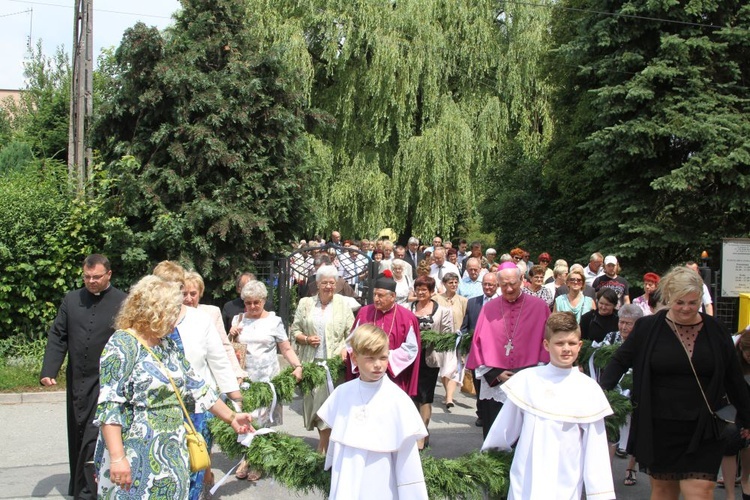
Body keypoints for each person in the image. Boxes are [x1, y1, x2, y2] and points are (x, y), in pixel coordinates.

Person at [93, 275, 254, 499]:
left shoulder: (167, 343)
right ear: (154, 311)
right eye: (173, 311)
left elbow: (197, 387)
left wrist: (231, 417)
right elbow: (110, 405)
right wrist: (118, 457)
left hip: (173, 450)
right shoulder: (122, 344)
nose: (178, 317)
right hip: (134, 451)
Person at [600, 267, 750, 500]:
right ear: (668, 297)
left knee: (700, 491)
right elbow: (620, 361)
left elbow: (733, 378)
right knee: (664, 492)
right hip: (659, 425)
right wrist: (598, 394)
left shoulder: (716, 330)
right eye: (680, 302)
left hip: (705, 425)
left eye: (693, 302)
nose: (686, 309)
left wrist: (747, 418)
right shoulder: (648, 328)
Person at [482, 312, 615, 500]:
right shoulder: (528, 380)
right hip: (526, 476)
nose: (566, 349)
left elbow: (596, 449)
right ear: (546, 345)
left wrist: (600, 495)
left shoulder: (588, 390)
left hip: (566, 479)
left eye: (571, 343)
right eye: (559, 343)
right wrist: (486, 465)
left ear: (580, 345)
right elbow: (503, 430)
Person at [153, 261, 244, 498]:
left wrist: (235, 397)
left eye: (178, 289)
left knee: (195, 465)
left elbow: (219, 359)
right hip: (160, 410)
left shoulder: (200, 319)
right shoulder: (148, 323)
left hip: (198, 408)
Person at [40, 254, 127, 500]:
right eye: (87, 277)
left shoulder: (122, 301)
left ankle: (89, 492)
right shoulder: (71, 299)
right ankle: (79, 486)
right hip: (78, 380)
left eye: (96, 277)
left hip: (107, 382)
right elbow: (58, 335)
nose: (91, 281)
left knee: (94, 436)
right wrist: (49, 370)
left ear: (108, 274)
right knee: (78, 434)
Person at [316, 324, 428, 499]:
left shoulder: (397, 399)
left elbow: (408, 460)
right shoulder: (343, 393)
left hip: (382, 478)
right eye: (370, 358)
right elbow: (336, 440)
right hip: (347, 473)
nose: (378, 365)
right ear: (354, 358)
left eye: (383, 358)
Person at [229, 280, 304, 480]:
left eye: (257, 302)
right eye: (248, 303)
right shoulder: (238, 320)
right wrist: (232, 336)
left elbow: (286, 348)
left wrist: (297, 366)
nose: (252, 307)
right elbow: (230, 350)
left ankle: (258, 461)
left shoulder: (274, 321)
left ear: (263, 301)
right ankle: (246, 457)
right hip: (245, 381)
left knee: (262, 422)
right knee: (246, 420)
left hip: (267, 380)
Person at [466, 262, 551, 438]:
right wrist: (495, 373)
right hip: (497, 384)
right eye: (504, 285)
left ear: (522, 279)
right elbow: (478, 346)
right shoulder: (489, 308)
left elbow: (546, 346)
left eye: (512, 283)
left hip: (527, 383)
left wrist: (527, 375)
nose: (509, 289)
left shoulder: (539, 307)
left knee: (525, 437)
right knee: (494, 434)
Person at [290, 265, 355, 454]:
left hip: (335, 364)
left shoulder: (343, 303)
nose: (328, 286)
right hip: (312, 362)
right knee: (315, 405)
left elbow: (352, 333)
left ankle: (325, 446)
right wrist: (306, 339)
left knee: (332, 404)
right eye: (325, 282)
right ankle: (325, 441)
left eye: (332, 283)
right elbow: (295, 331)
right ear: (317, 284)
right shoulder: (305, 303)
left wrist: (345, 348)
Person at [592, 304, 643, 485]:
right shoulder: (611, 337)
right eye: (622, 322)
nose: (624, 327)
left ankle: (631, 468)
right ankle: (606, 471)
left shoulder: (643, 340)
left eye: (629, 324)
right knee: (611, 426)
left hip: (635, 388)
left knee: (637, 427)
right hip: (613, 387)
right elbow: (600, 359)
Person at [349, 273, 421, 396]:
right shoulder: (364, 312)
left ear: (393, 296)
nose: (376, 299)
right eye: (374, 294)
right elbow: (352, 341)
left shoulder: (407, 317)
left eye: (380, 295)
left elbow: (411, 348)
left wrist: (385, 358)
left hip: (393, 376)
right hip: (365, 374)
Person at [409, 276, 454, 449]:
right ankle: (413, 430)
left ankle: (423, 434)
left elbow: (448, 336)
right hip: (410, 359)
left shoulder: (443, 311)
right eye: (418, 289)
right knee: (411, 396)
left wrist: (432, 339)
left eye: (424, 289)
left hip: (429, 358)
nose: (421, 292)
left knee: (425, 396)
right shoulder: (408, 308)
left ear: (431, 291)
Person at [183, 271, 246, 380]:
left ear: (200, 293)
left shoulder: (211, 313)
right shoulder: (171, 316)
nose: (188, 299)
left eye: (193, 294)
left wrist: (236, 373)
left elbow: (224, 346)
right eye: (184, 294)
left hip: (207, 376)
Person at [461, 271, 499, 427]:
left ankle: (495, 414)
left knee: (494, 383)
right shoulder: (472, 303)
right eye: (485, 284)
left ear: (497, 286)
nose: (488, 287)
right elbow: (465, 327)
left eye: (491, 284)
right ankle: (481, 414)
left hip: (496, 353)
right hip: (476, 352)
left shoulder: (502, 303)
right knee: (478, 383)